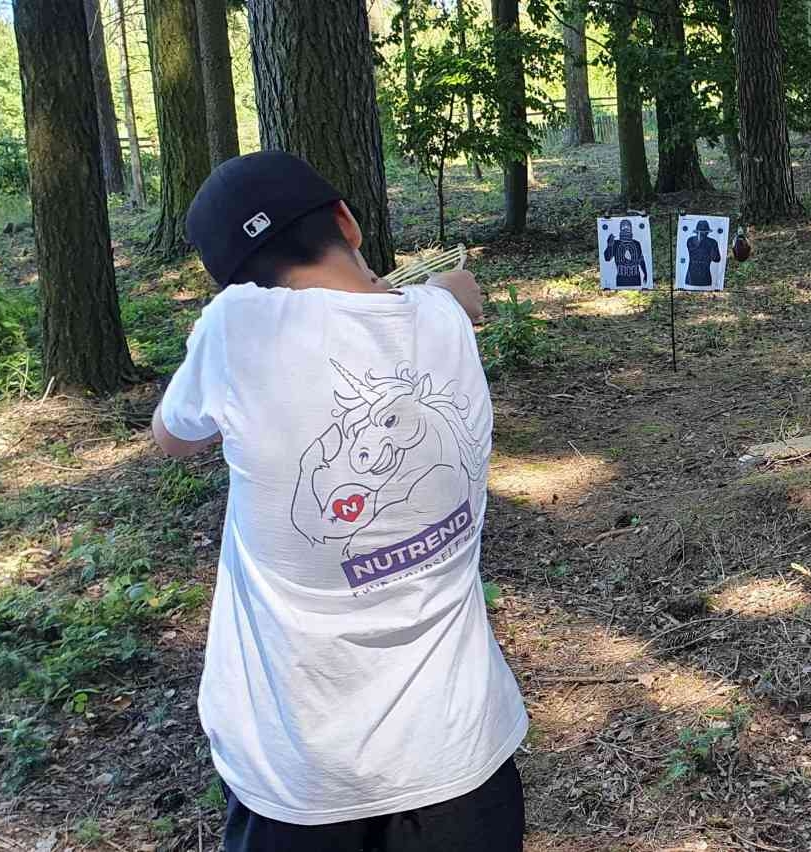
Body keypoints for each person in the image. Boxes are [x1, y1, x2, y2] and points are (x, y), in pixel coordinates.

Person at [153, 151, 529, 852]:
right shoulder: (443, 319)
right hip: (463, 759)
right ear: (347, 222)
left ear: (236, 281)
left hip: (300, 778)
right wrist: (437, 290)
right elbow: (449, 294)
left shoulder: (234, 329)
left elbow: (172, 437)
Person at [603, 219, 649, 288]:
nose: (626, 228)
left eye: (628, 227)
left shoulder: (636, 243)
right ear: (620, 228)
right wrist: (609, 245)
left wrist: (645, 273)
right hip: (621, 278)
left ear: (631, 228)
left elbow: (641, 260)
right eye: (623, 227)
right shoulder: (615, 243)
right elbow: (607, 258)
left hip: (635, 277)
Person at [684, 219, 722, 289]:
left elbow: (717, 259)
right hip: (691, 276)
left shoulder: (712, 242)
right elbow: (694, 251)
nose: (703, 234)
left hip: (705, 276)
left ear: (707, 232)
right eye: (701, 233)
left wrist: (711, 248)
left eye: (705, 232)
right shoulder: (690, 240)